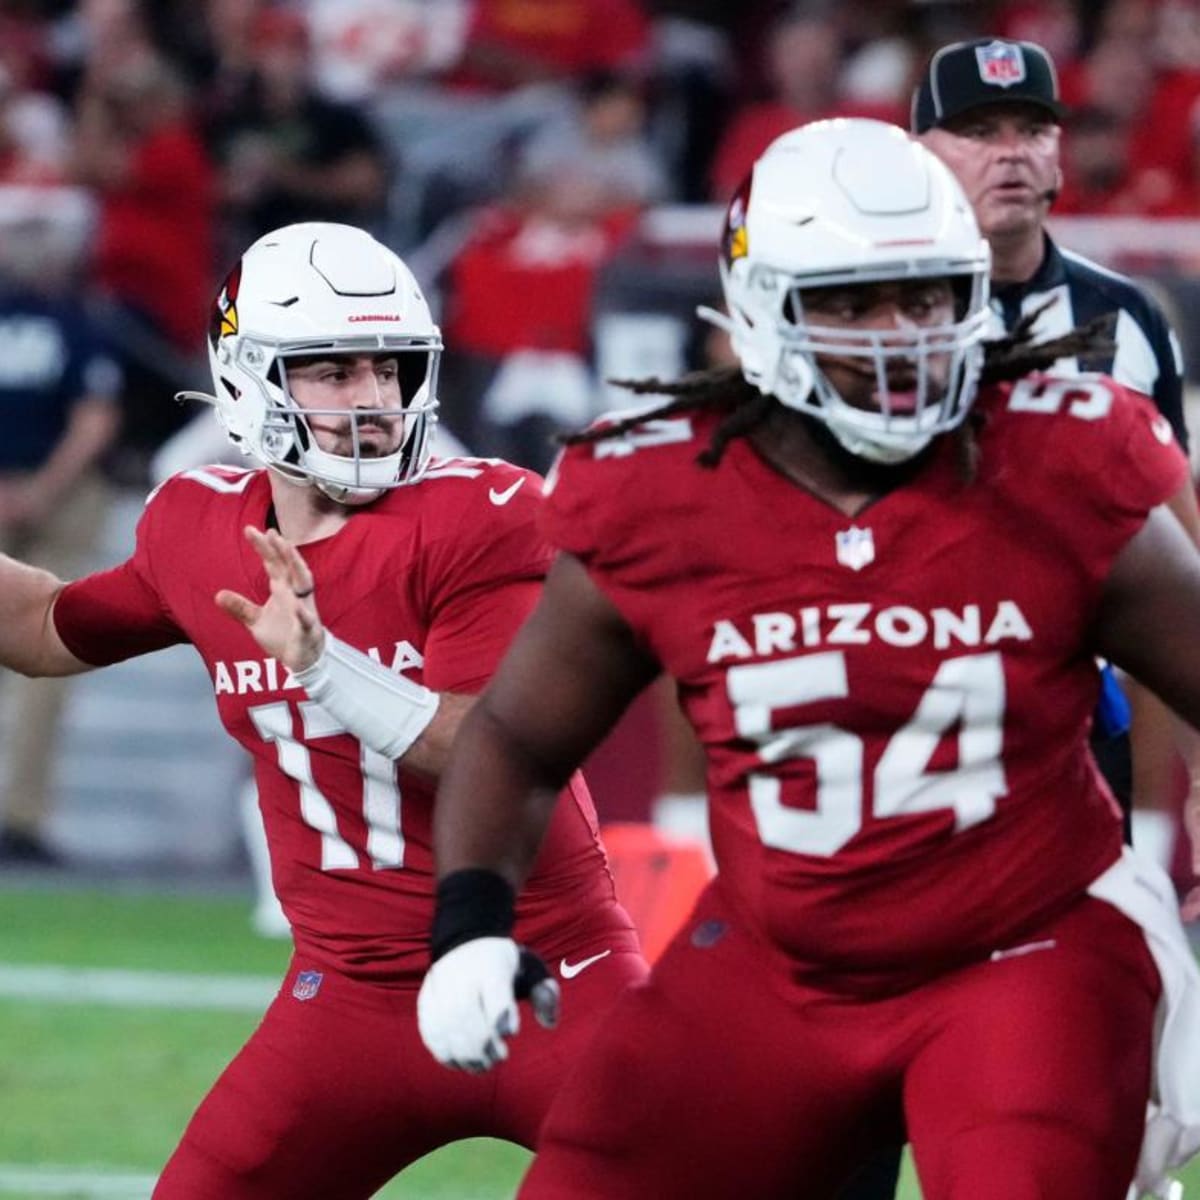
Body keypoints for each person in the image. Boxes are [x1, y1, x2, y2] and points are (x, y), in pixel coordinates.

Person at [415, 120, 1200, 1200]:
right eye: (852, 302)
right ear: (760, 310)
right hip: (777, 966)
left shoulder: (1062, 455)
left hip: (1024, 951)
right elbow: (516, 735)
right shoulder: (656, 493)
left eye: (926, 295)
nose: (901, 334)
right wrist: (469, 924)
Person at [0, 221, 646, 1197]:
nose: (374, 400)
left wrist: (325, 666)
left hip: (549, 971)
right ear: (247, 378)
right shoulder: (197, 521)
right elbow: (49, 629)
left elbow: (497, 745)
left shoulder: (482, 512)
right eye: (333, 372)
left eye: (387, 370)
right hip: (344, 998)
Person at [912, 35, 1200, 870]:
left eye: (1031, 130)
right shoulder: (868, 311)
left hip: (1073, 711)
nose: (1010, 154)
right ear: (920, 153)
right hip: (904, 708)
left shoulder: (1127, 315)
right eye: (979, 130)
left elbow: (1177, 548)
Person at [0, 205, 122, 866]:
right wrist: (40, 489)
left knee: (47, 654)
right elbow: (95, 417)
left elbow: (95, 418)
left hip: (50, 495)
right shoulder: (78, 325)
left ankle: (21, 816)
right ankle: (20, 817)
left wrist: (34, 489)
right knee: (46, 655)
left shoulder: (79, 323)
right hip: (51, 493)